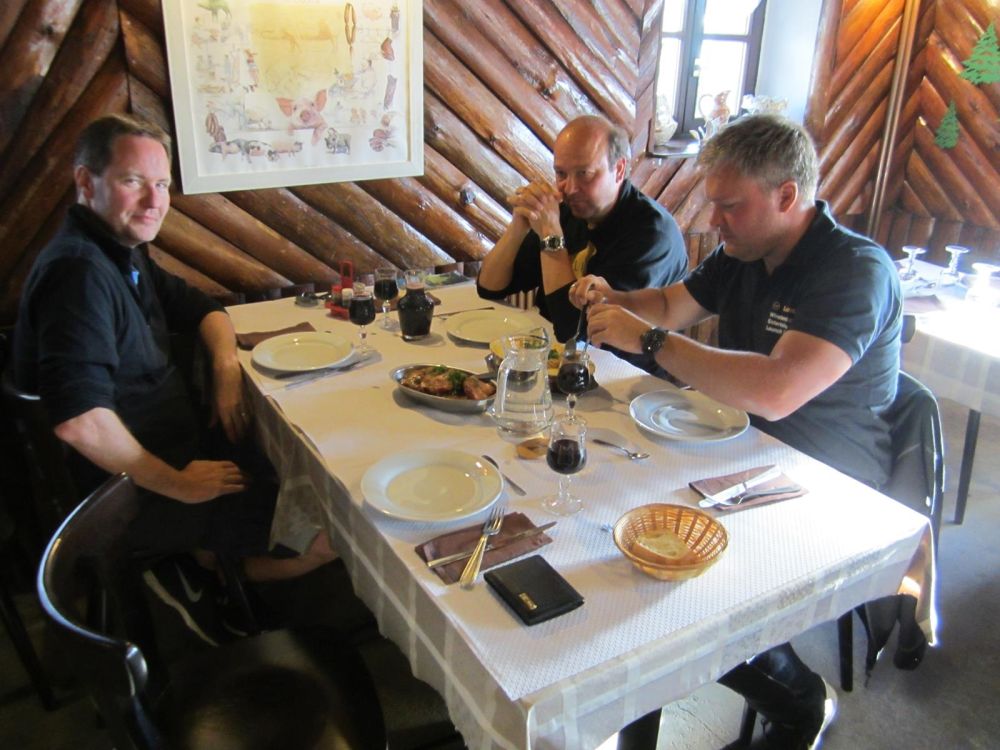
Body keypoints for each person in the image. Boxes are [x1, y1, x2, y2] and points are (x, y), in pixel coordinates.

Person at [571, 114, 902, 749]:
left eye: (730, 206)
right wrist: (616, 297)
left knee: (671, 581)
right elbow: (670, 306)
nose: (714, 221)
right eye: (712, 204)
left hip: (826, 474)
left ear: (787, 195)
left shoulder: (855, 270)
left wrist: (650, 341)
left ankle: (800, 702)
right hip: (738, 445)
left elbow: (777, 391)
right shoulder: (744, 252)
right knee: (614, 517)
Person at [12, 114, 335, 644]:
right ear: (86, 182)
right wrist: (178, 484)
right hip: (125, 493)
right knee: (326, 526)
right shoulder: (79, 273)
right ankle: (212, 584)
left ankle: (199, 565)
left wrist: (226, 369)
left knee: (288, 458)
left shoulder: (119, 249)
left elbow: (201, 307)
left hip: (167, 448)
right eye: (133, 181)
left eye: (161, 185)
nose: (153, 201)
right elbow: (80, 421)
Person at [476, 114, 688, 369]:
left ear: (619, 169)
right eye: (561, 173)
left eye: (584, 174)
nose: (570, 188)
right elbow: (490, 288)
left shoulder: (651, 235)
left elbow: (575, 330)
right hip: (560, 364)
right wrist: (519, 225)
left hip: (628, 376)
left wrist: (551, 236)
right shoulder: (568, 211)